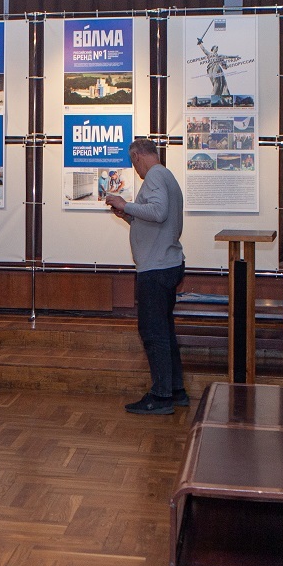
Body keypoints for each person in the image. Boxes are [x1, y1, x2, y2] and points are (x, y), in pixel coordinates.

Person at [105, 138, 188, 415]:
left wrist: (126, 204)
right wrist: (127, 215)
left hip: (156, 267)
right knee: (164, 331)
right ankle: (175, 390)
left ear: (138, 157)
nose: (135, 169)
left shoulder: (154, 175)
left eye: (133, 163)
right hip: (166, 264)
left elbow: (158, 212)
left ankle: (161, 396)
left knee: (153, 333)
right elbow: (156, 216)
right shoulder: (166, 176)